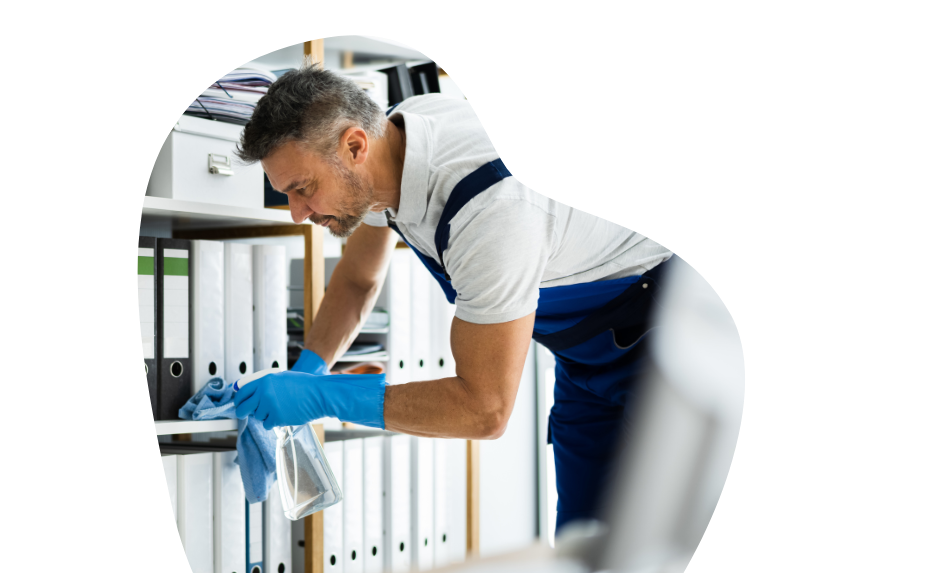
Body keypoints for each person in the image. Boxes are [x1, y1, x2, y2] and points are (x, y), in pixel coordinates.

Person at [233, 65, 673, 531]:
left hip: (664, 342)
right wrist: (311, 365)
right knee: (583, 545)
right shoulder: (388, 152)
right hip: (582, 354)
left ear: (355, 146)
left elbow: (485, 410)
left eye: (303, 189)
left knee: (660, 542)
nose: (298, 213)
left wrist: (324, 396)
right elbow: (358, 279)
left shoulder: (492, 209)